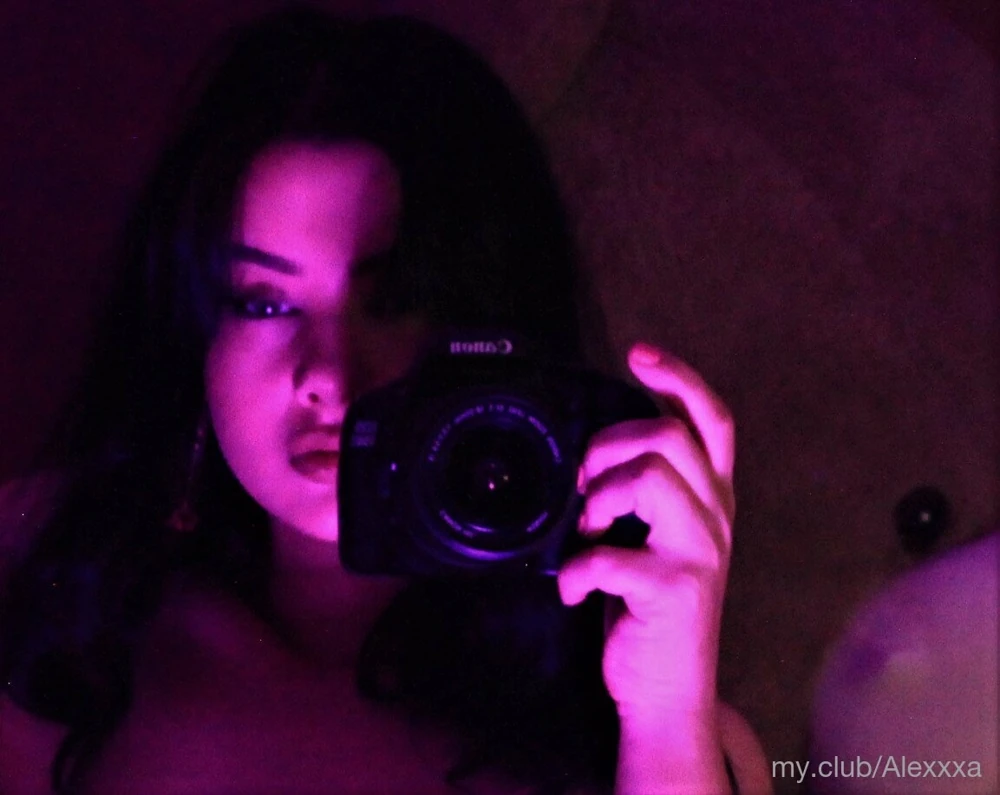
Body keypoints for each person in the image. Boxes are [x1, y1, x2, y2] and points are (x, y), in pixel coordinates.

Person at [0, 7, 770, 793]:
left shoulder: (655, 727)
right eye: (264, 302)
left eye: (394, 298)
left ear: (492, 328)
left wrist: (665, 720)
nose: (328, 373)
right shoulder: (56, 627)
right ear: (194, 330)